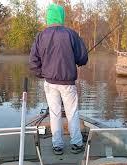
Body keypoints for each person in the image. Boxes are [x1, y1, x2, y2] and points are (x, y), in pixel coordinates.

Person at [29, 2, 88, 155]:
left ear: (48, 18)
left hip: (49, 83)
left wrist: (42, 74)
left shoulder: (41, 36)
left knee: (54, 113)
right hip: (68, 83)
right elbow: (82, 58)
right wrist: (76, 60)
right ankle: (76, 144)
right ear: (62, 17)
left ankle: (57, 146)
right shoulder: (71, 34)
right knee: (72, 113)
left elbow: (33, 62)